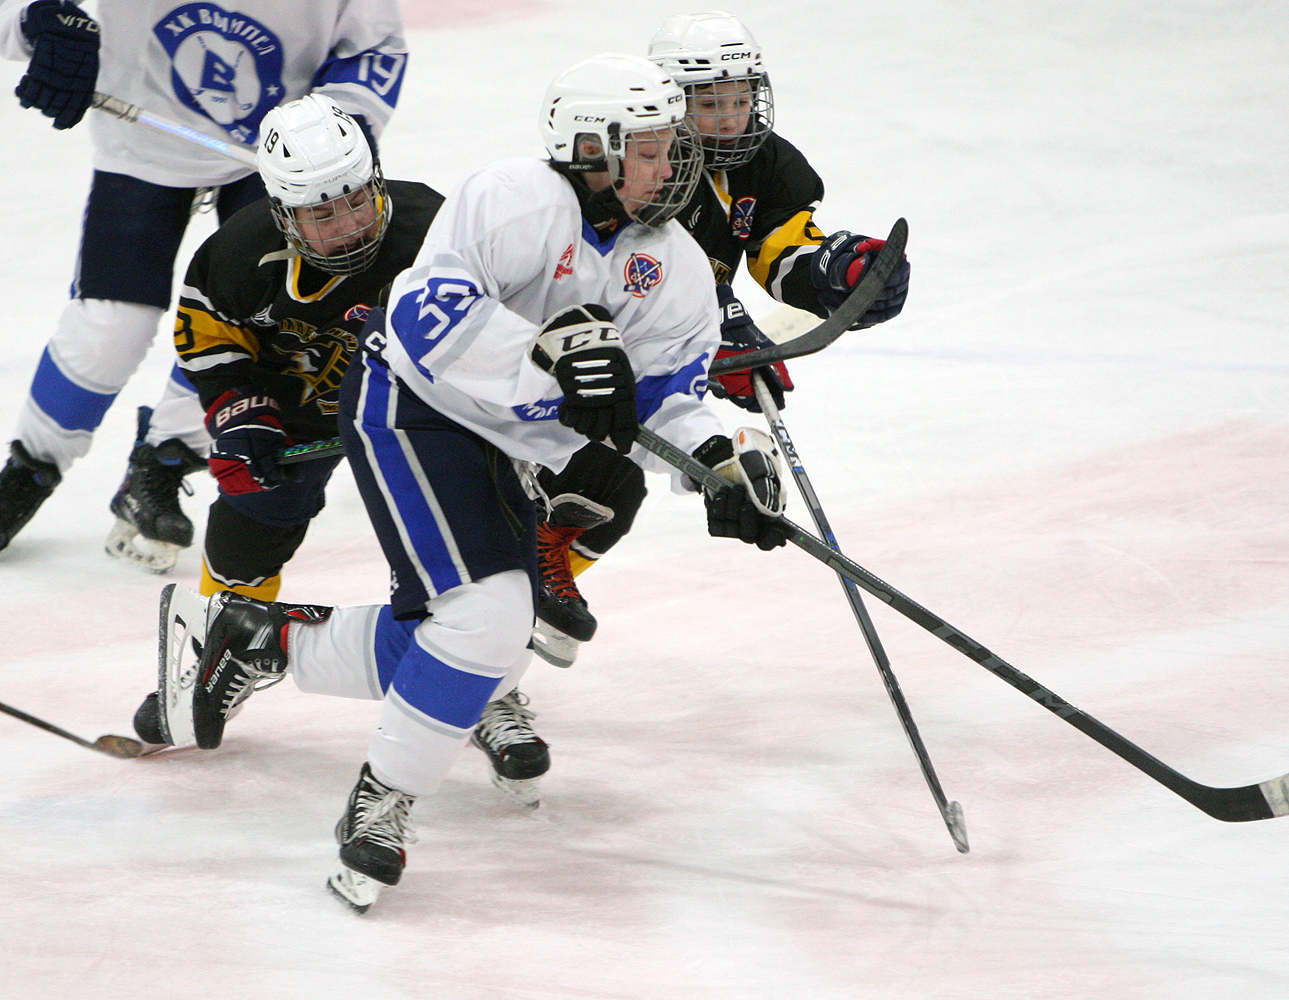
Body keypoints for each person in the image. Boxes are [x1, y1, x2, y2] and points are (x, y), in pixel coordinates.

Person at [143, 52, 791, 913]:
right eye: (650, 149)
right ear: (591, 148)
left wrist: (721, 459)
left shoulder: (672, 264)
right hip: (416, 406)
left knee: (488, 626)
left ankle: (266, 640)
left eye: (672, 145)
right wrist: (546, 356)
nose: (672, 165)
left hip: (514, 437)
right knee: (488, 614)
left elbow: (667, 396)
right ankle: (382, 802)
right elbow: (424, 319)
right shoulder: (513, 199)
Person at [529, 10, 911, 667]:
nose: (731, 118)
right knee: (586, 475)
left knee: (614, 494)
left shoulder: (764, 164)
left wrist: (840, 269)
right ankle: (498, 587)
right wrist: (720, 327)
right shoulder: (640, 167)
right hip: (572, 348)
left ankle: (516, 597)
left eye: (739, 99)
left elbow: (780, 251)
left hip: (655, 350)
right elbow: (627, 268)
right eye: (710, 103)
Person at [0, 0, 407, 572]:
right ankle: (30, 469)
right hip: (140, 138)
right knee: (111, 325)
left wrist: (333, 134)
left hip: (274, 160)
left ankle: (164, 461)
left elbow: (374, 45)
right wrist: (39, 20)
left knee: (251, 321)